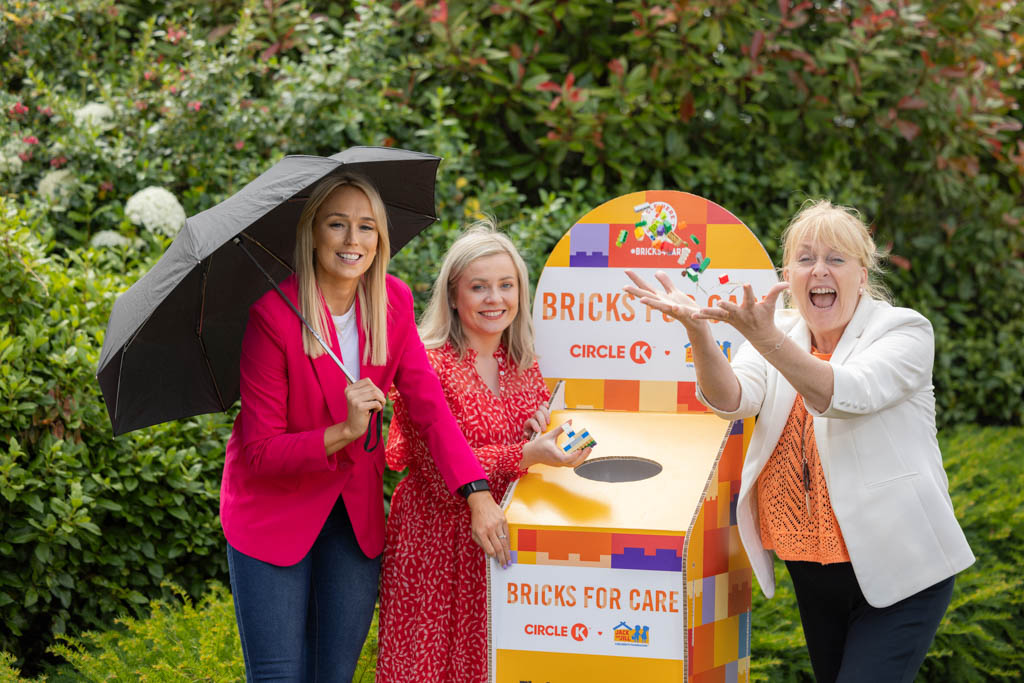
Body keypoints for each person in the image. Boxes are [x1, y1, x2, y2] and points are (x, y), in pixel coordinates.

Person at [623, 199, 974, 682]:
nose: (819, 271)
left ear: (862, 272)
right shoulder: (781, 329)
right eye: (805, 259)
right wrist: (699, 334)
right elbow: (734, 398)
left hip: (904, 569)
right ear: (787, 274)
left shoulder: (904, 331)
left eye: (836, 259)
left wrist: (769, 341)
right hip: (811, 567)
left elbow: (842, 392)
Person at [219, 174, 510, 682]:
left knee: (334, 674)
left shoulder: (392, 304)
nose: (353, 241)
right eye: (338, 225)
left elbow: (430, 410)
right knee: (279, 675)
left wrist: (476, 491)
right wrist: (342, 432)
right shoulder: (273, 316)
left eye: (366, 227)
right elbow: (261, 451)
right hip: (272, 513)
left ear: (381, 238)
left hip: (351, 514)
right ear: (313, 234)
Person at [376, 222, 591, 682]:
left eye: (506, 285)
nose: (495, 298)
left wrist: (548, 437)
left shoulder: (525, 365)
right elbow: (438, 471)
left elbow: (530, 452)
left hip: (501, 545)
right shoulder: (427, 363)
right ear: (453, 296)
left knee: (495, 665)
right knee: (425, 666)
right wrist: (526, 453)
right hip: (435, 544)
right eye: (479, 287)